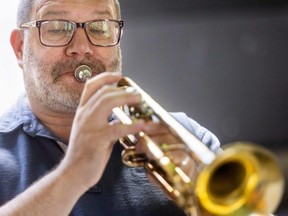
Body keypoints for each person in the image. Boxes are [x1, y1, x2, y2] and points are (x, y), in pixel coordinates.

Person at [0, 0, 220, 215]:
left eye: (99, 28)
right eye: (56, 28)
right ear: (20, 47)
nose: (81, 48)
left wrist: (205, 201)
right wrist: (73, 174)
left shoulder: (186, 138)